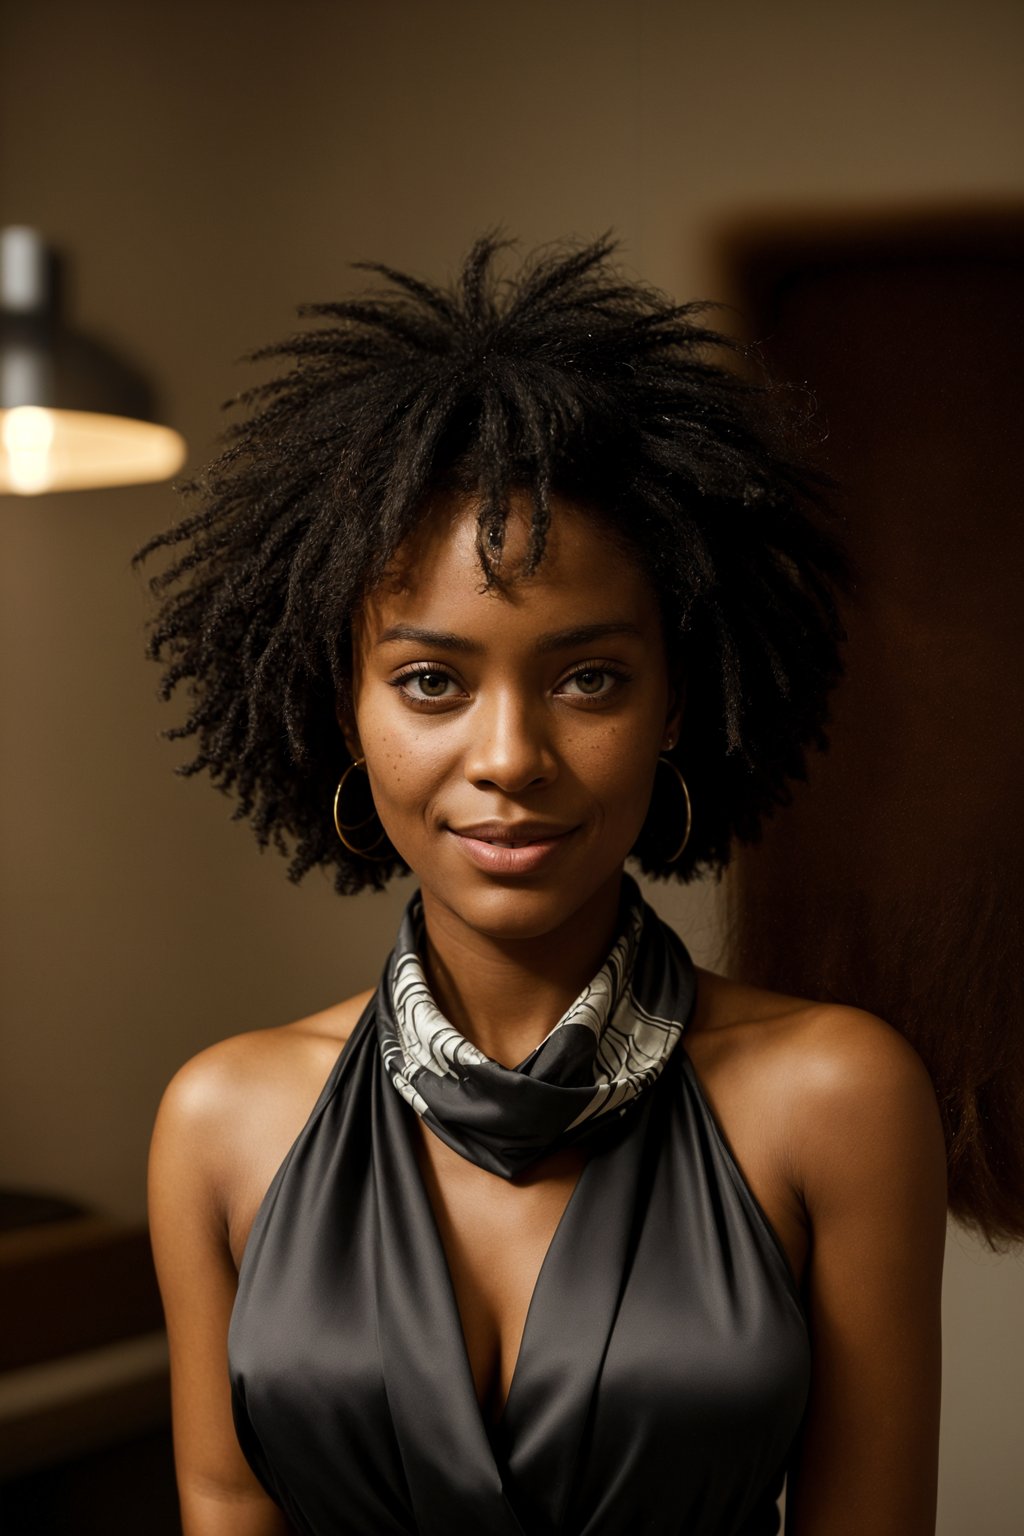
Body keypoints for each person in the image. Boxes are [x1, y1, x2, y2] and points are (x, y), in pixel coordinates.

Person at [141, 235, 948, 1536]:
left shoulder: (836, 1099)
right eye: (431, 682)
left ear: (679, 698)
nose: (509, 758)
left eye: (588, 678)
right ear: (336, 707)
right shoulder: (223, 1124)